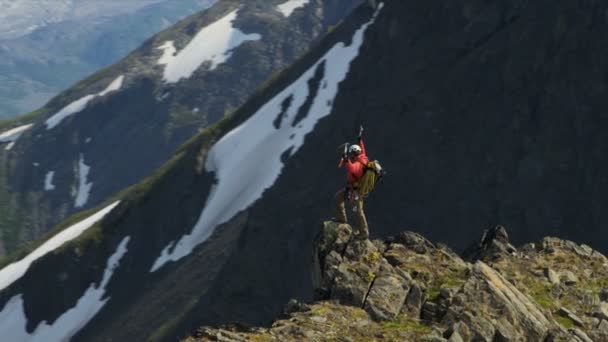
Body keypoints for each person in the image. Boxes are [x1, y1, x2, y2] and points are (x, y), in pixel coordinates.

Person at [335, 129, 370, 239]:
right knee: (338, 198)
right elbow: (363, 149)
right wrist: (359, 138)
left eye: (351, 155)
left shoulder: (359, 165)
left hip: (356, 191)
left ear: (355, 154)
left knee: (358, 211)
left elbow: (352, 169)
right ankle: (342, 219)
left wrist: (346, 160)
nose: (350, 156)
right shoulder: (363, 156)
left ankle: (364, 233)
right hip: (351, 189)